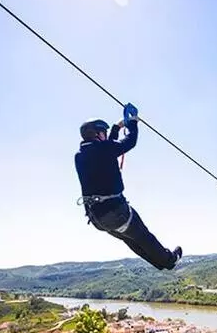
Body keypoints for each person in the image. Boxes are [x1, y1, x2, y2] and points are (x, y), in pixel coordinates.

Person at [75, 106, 182, 270]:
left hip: (98, 218)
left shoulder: (81, 155)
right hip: (115, 212)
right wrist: (132, 123)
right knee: (143, 236)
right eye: (103, 132)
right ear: (97, 134)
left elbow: (108, 147)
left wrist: (117, 128)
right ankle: (169, 260)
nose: (105, 135)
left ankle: (162, 263)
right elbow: (129, 142)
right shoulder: (103, 149)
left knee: (132, 238)